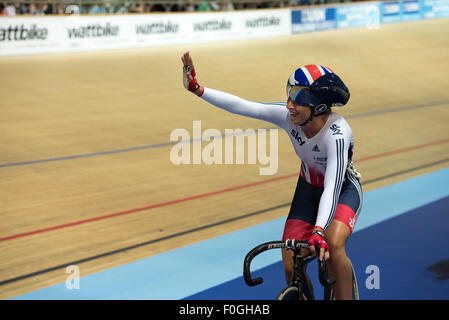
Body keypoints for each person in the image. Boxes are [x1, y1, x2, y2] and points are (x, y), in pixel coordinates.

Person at [181, 52, 362, 300]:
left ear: (318, 105)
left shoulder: (338, 133)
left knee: (333, 241)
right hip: (308, 189)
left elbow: (331, 187)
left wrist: (319, 230)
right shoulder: (290, 117)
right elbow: (245, 106)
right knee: (290, 259)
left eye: (297, 99)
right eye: (289, 96)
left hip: (342, 190)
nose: (289, 105)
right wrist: (198, 89)